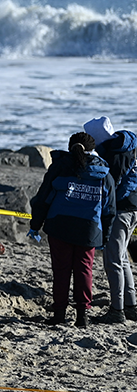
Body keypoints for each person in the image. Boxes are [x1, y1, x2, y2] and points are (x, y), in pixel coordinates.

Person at [29, 131, 116, 329]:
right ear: (93, 150)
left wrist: (35, 225)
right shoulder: (103, 172)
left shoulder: (60, 166)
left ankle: (59, 313)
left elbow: (43, 197)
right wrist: (105, 236)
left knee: (61, 271)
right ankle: (82, 316)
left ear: (70, 147)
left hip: (59, 225)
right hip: (89, 229)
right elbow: (109, 209)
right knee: (84, 271)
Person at [84, 116, 137, 324]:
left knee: (113, 260)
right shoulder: (126, 147)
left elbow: (111, 187)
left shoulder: (115, 155)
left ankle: (117, 310)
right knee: (122, 258)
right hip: (132, 208)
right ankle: (130, 306)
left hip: (122, 210)